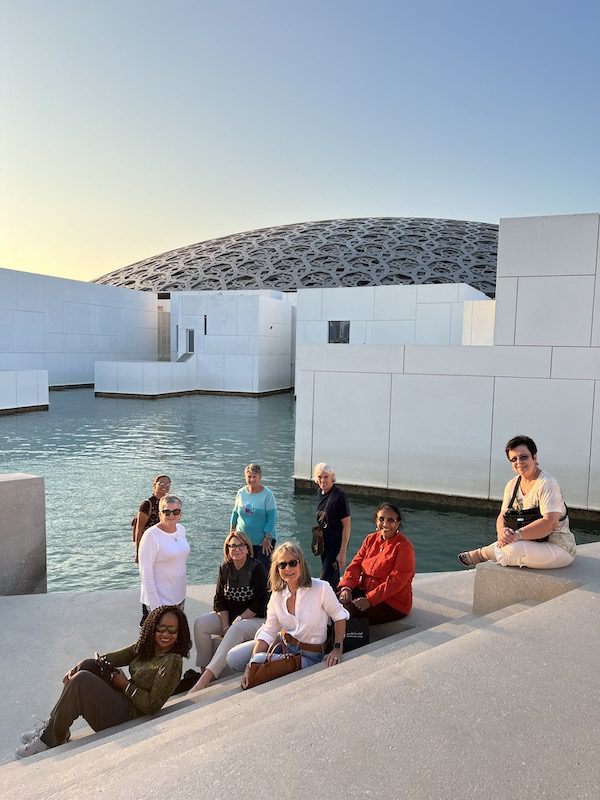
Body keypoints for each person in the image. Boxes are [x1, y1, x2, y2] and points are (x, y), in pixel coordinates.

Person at [16, 605, 192, 758]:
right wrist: (79, 667)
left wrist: (125, 685)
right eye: (161, 628)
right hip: (122, 700)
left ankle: (47, 741)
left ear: (179, 633)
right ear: (153, 627)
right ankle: (56, 728)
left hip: (128, 716)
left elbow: (153, 706)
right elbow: (115, 657)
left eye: (172, 630)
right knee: (87, 666)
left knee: (82, 681)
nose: (165, 634)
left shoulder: (172, 662)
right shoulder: (148, 646)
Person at [228, 542, 348, 684]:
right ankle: (262, 666)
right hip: (283, 645)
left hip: (310, 656)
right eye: (282, 565)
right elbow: (268, 631)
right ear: (277, 569)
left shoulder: (321, 588)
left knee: (258, 660)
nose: (288, 568)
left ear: (301, 563)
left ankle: (265, 666)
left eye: (292, 563)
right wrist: (251, 665)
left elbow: (340, 616)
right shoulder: (277, 595)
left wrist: (337, 648)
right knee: (233, 657)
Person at [458, 435, 576, 569]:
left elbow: (550, 523)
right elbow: (502, 515)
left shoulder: (547, 483)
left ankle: (484, 553)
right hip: (529, 541)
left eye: (524, 457)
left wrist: (517, 535)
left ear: (535, 458)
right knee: (509, 547)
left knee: (511, 551)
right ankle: (486, 552)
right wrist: (502, 531)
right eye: (514, 459)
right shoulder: (512, 485)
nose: (519, 462)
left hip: (558, 547)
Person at [188, 531, 268, 694]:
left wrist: (236, 621)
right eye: (232, 546)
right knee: (200, 624)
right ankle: (204, 668)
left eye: (240, 546)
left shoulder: (257, 568)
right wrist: (225, 626)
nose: (236, 549)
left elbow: (259, 603)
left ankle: (205, 679)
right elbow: (219, 601)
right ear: (227, 549)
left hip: (256, 619)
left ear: (247, 548)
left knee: (236, 628)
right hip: (231, 619)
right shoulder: (225, 568)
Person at [338, 502, 415, 623]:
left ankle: (334, 642)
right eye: (381, 519)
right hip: (365, 590)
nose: (385, 524)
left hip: (392, 602)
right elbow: (355, 565)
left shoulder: (404, 547)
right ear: (376, 521)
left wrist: (369, 600)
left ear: (398, 523)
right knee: (330, 599)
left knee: (345, 613)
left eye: (391, 520)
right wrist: (346, 588)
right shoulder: (370, 539)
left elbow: (396, 581)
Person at [138, 494, 190, 625]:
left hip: (178, 597)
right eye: (166, 512)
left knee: (175, 638)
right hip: (159, 601)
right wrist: (156, 607)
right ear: (160, 514)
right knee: (156, 641)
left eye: (175, 511)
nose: (171, 515)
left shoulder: (181, 530)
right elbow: (145, 573)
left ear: (180, 514)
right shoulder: (151, 536)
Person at [230, 463, 277, 570]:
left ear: (260, 476)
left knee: (263, 569)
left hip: (262, 543)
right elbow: (235, 513)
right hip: (243, 542)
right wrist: (232, 532)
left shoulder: (267, 495)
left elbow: (272, 518)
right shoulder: (241, 493)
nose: (251, 480)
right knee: (245, 569)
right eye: (249, 477)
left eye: (254, 477)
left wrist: (267, 538)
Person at [313, 463, 351, 589]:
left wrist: (343, 551)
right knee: (332, 577)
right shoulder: (320, 492)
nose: (322, 480)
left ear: (332, 478)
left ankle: (324, 604)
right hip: (324, 543)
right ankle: (335, 602)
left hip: (335, 544)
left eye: (326, 477)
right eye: (320, 477)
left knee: (325, 577)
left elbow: (347, 524)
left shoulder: (339, 496)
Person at [133, 475, 172, 562]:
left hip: (163, 545)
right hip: (149, 545)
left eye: (168, 484)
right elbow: (139, 530)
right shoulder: (147, 504)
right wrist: (138, 552)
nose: (165, 486)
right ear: (155, 485)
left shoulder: (169, 504)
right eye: (161, 483)